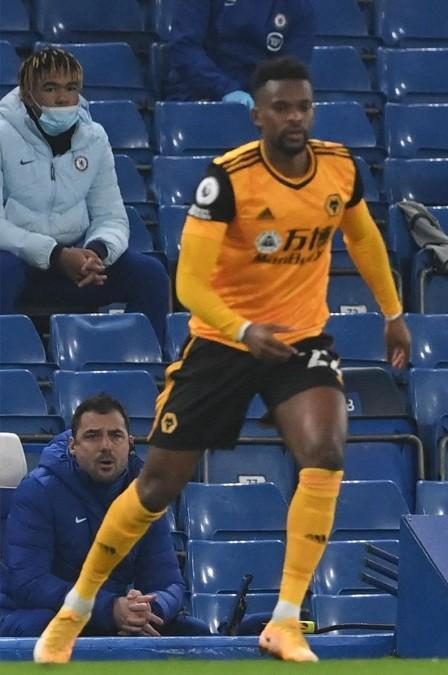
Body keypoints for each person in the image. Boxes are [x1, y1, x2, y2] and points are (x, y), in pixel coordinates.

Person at [33, 57, 411, 664]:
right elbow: (189, 280)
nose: (295, 118)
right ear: (258, 115)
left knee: (328, 451)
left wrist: (393, 311)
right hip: (223, 343)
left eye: (304, 107)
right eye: (282, 108)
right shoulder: (227, 180)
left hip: (299, 340)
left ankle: (285, 620)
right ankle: (73, 611)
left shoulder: (339, 166)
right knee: (156, 485)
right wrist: (242, 327)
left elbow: (362, 235)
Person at [0, 394, 210, 638]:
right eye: (92, 436)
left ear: (130, 444)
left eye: (115, 435)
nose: (105, 446)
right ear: (73, 446)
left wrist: (148, 609)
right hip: (40, 613)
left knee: (194, 632)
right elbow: (29, 583)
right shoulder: (38, 490)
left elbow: (169, 582)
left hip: (109, 615)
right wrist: (108, 609)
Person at [0, 47, 170, 344]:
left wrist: (97, 253)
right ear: (28, 93)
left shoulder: (95, 138)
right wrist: (55, 255)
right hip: (17, 260)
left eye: (71, 88)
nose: (63, 98)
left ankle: (134, 369)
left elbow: (111, 216)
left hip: (77, 265)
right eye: (50, 88)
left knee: (151, 275)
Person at [165, 0, 315, 105]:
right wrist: (225, 88)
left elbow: (292, 69)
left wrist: (266, 97)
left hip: (263, 101)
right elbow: (184, 47)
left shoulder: (299, 4)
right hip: (198, 94)